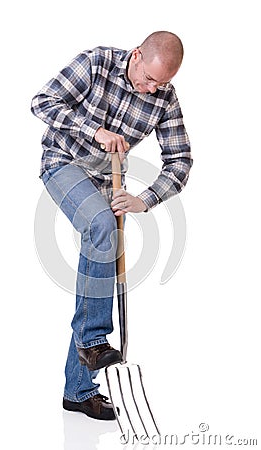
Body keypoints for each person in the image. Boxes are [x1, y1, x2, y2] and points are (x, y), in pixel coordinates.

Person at [31, 31, 192, 421]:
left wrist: (144, 200)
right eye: (150, 79)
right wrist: (94, 131)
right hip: (63, 162)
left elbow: (181, 160)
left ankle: (78, 391)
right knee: (101, 226)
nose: (153, 90)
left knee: (97, 278)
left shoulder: (165, 99)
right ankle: (94, 339)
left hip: (107, 182)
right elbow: (41, 102)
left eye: (163, 83)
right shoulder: (96, 62)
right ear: (137, 55)